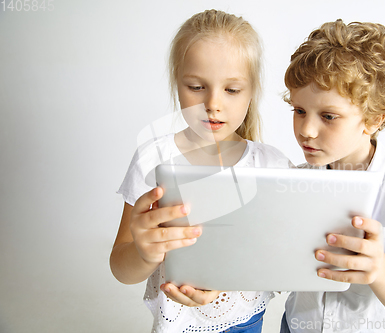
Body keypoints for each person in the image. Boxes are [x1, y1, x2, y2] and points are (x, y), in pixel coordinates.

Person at [109, 9, 290, 333]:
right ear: (177, 82)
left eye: (232, 90)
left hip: (247, 322)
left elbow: (285, 259)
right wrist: (145, 253)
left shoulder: (272, 165)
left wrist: (232, 276)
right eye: (196, 86)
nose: (213, 104)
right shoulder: (154, 158)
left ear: (252, 90)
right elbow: (121, 269)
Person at [279, 19, 385, 332]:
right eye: (299, 111)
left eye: (328, 116)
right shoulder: (290, 181)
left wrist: (379, 267)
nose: (306, 131)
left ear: (373, 119)